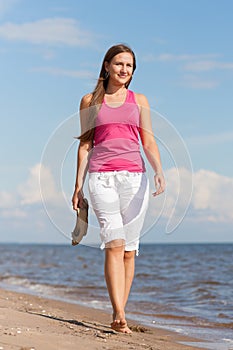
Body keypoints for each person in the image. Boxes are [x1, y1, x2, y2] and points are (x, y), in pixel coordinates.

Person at [72, 43, 165, 334]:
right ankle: (118, 312)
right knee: (113, 243)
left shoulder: (139, 101)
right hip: (101, 179)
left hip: (135, 179)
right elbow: (86, 144)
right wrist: (78, 186)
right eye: (119, 64)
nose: (124, 70)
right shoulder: (90, 101)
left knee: (128, 250)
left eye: (129, 66)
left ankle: (120, 315)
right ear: (107, 66)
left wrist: (159, 170)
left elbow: (148, 141)